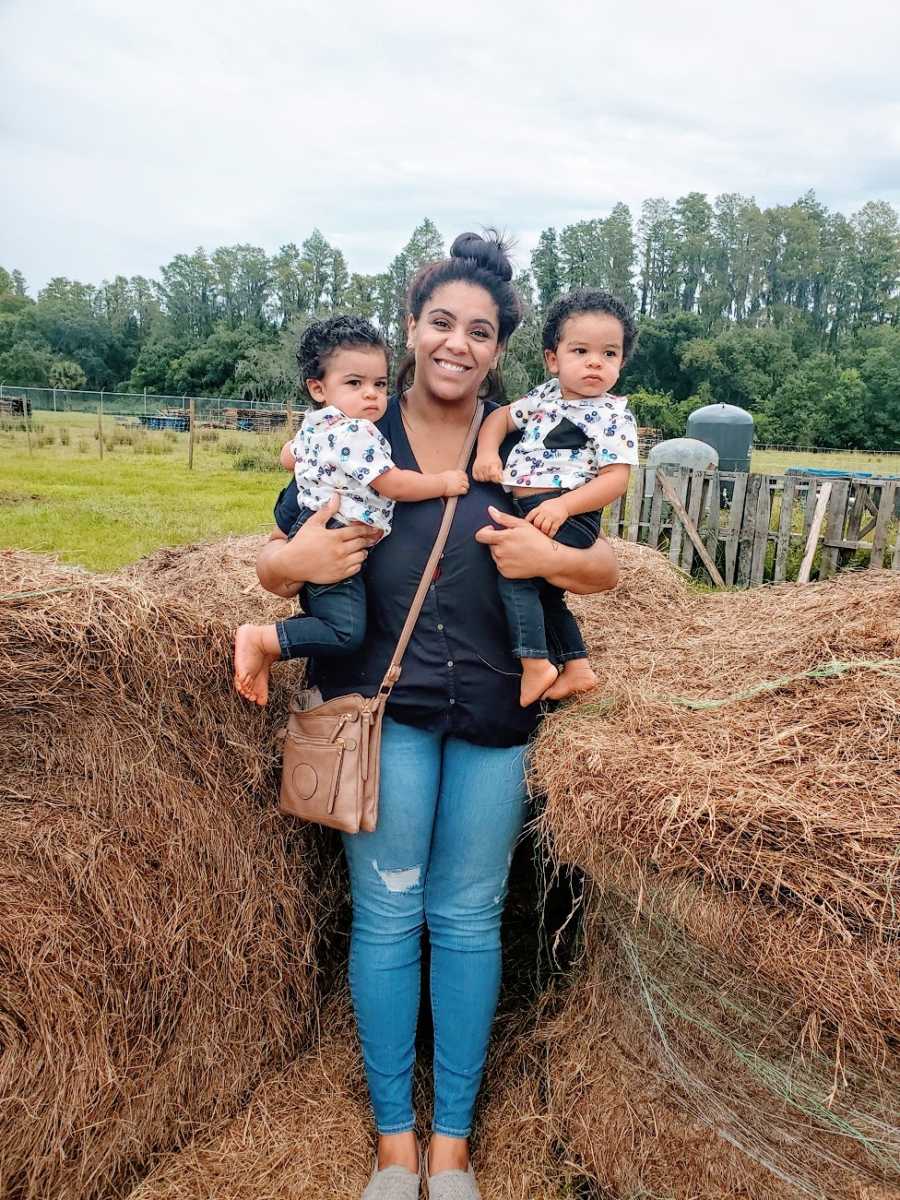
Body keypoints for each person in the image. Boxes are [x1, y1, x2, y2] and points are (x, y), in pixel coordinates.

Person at [254, 233, 620, 1200]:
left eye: (482, 331)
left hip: (501, 707)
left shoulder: (537, 430)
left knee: (467, 918)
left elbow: (601, 568)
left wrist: (552, 564)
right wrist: (282, 571)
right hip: (385, 707)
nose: (459, 344)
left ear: (502, 348)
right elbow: (282, 557)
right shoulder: (355, 429)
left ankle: (451, 1144)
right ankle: (393, 1143)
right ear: (413, 327)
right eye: (442, 323)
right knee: (389, 914)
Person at [233, 316, 468, 706]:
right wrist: (443, 484)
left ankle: (272, 641)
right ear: (318, 387)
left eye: (379, 384)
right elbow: (393, 484)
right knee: (344, 630)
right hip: (336, 540)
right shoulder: (358, 433)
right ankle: (264, 640)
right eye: (355, 384)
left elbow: (286, 456)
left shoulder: (316, 423)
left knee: (337, 619)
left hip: (313, 529)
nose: (372, 396)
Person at [473, 289, 639, 706]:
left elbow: (616, 479)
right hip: (536, 505)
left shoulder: (612, 414)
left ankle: (535, 664)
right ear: (553, 358)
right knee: (547, 593)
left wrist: (564, 505)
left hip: (567, 511)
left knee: (515, 577)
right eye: (580, 350)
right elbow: (497, 418)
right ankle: (577, 667)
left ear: (621, 362)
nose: (595, 362)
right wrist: (488, 452)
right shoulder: (545, 396)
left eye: (609, 354)